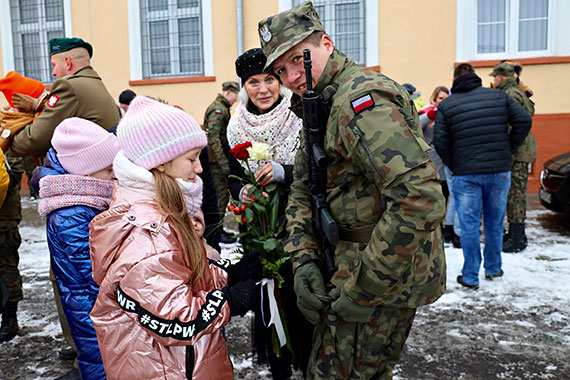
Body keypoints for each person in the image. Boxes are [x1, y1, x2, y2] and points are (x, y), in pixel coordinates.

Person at [258, 2, 447, 378]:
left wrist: (365, 287)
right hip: (347, 262)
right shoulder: (320, 101)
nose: (292, 76)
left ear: (326, 43)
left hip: (380, 274)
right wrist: (304, 260)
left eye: (299, 59)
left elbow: (419, 198)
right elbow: (302, 188)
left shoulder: (360, 100)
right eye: (281, 69)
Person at [89, 96, 260, 380]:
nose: (199, 168)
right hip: (167, 369)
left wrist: (229, 273)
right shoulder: (148, 235)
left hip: (183, 364)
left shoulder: (162, 210)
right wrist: (234, 299)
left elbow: (179, 277)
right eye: (191, 159)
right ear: (160, 163)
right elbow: (178, 319)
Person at [226, 48, 311, 379]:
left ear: (280, 81)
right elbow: (232, 177)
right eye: (253, 82)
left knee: (298, 299)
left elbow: (321, 173)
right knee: (268, 299)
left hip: (299, 227)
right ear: (244, 86)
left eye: (270, 80)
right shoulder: (236, 127)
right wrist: (242, 191)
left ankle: (307, 362)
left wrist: (283, 173)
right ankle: (280, 369)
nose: (263, 89)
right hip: (259, 230)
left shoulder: (299, 117)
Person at [33, 118, 120, 380]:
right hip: (91, 309)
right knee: (101, 365)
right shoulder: (71, 212)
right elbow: (94, 269)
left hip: (97, 304)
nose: (113, 175)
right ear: (85, 171)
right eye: (107, 170)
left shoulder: (88, 197)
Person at [434, 63, 532, 289]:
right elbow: (524, 121)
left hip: (465, 173)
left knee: (469, 225)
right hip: (499, 171)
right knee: (494, 222)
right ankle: (493, 267)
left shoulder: (447, 105)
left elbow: (441, 142)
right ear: (476, 78)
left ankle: (470, 276)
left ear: (454, 80)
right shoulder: (499, 96)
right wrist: (508, 149)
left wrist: (455, 163)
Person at [8, 37, 120, 156]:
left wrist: (7, 141)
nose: (53, 73)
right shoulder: (93, 82)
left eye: (54, 65)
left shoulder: (68, 86)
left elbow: (36, 139)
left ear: (68, 62)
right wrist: (37, 105)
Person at [490, 62, 537, 253]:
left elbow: (514, 123)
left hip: (518, 152)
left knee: (516, 194)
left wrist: (508, 146)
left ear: (500, 77)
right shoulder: (519, 91)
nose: (493, 81)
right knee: (514, 192)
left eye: (494, 77)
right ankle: (515, 233)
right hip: (522, 150)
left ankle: (518, 237)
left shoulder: (510, 95)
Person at [419, 86, 461, 248]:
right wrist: (431, 115)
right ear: (434, 99)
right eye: (440, 98)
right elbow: (416, 127)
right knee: (432, 201)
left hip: (446, 164)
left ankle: (446, 229)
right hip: (430, 164)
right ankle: (435, 231)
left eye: (445, 98)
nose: (443, 101)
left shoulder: (449, 113)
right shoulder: (426, 112)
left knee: (446, 198)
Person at [203, 81, 239, 225]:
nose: (236, 100)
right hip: (215, 162)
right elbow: (214, 138)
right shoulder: (218, 110)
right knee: (220, 196)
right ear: (228, 93)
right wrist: (224, 163)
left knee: (222, 196)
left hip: (217, 160)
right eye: (235, 96)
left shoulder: (223, 107)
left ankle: (219, 227)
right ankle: (216, 228)